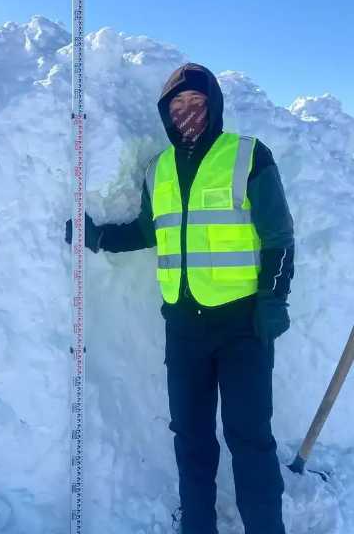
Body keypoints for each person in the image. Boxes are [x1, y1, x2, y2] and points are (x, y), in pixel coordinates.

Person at [65, 62, 294, 534]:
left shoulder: (248, 156)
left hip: (243, 327)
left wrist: (273, 300)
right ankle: (197, 525)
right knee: (190, 439)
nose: (187, 113)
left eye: (196, 103)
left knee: (249, 439)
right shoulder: (159, 170)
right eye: (177, 106)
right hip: (184, 331)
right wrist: (98, 237)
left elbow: (280, 236)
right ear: (166, 115)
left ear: (213, 105)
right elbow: (149, 231)